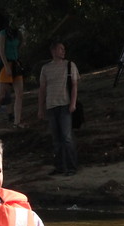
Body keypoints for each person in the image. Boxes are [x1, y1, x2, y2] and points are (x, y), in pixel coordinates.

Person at [38, 40, 79, 176]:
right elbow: (42, 89)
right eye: (60, 49)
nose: (63, 51)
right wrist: (41, 108)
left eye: (63, 49)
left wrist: (73, 103)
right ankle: (60, 166)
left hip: (65, 104)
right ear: (53, 51)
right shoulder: (46, 68)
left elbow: (74, 85)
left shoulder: (69, 65)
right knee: (56, 138)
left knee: (66, 137)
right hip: (51, 105)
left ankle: (72, 167)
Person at [0, 20, 25, 128]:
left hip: (15, 63)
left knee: (19, 94)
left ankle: (17, 122)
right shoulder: (3, 33)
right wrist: (6, 66)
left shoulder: (18, 34)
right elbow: (1, 50)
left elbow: (20, 45)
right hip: (6, 64)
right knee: (1, 95)